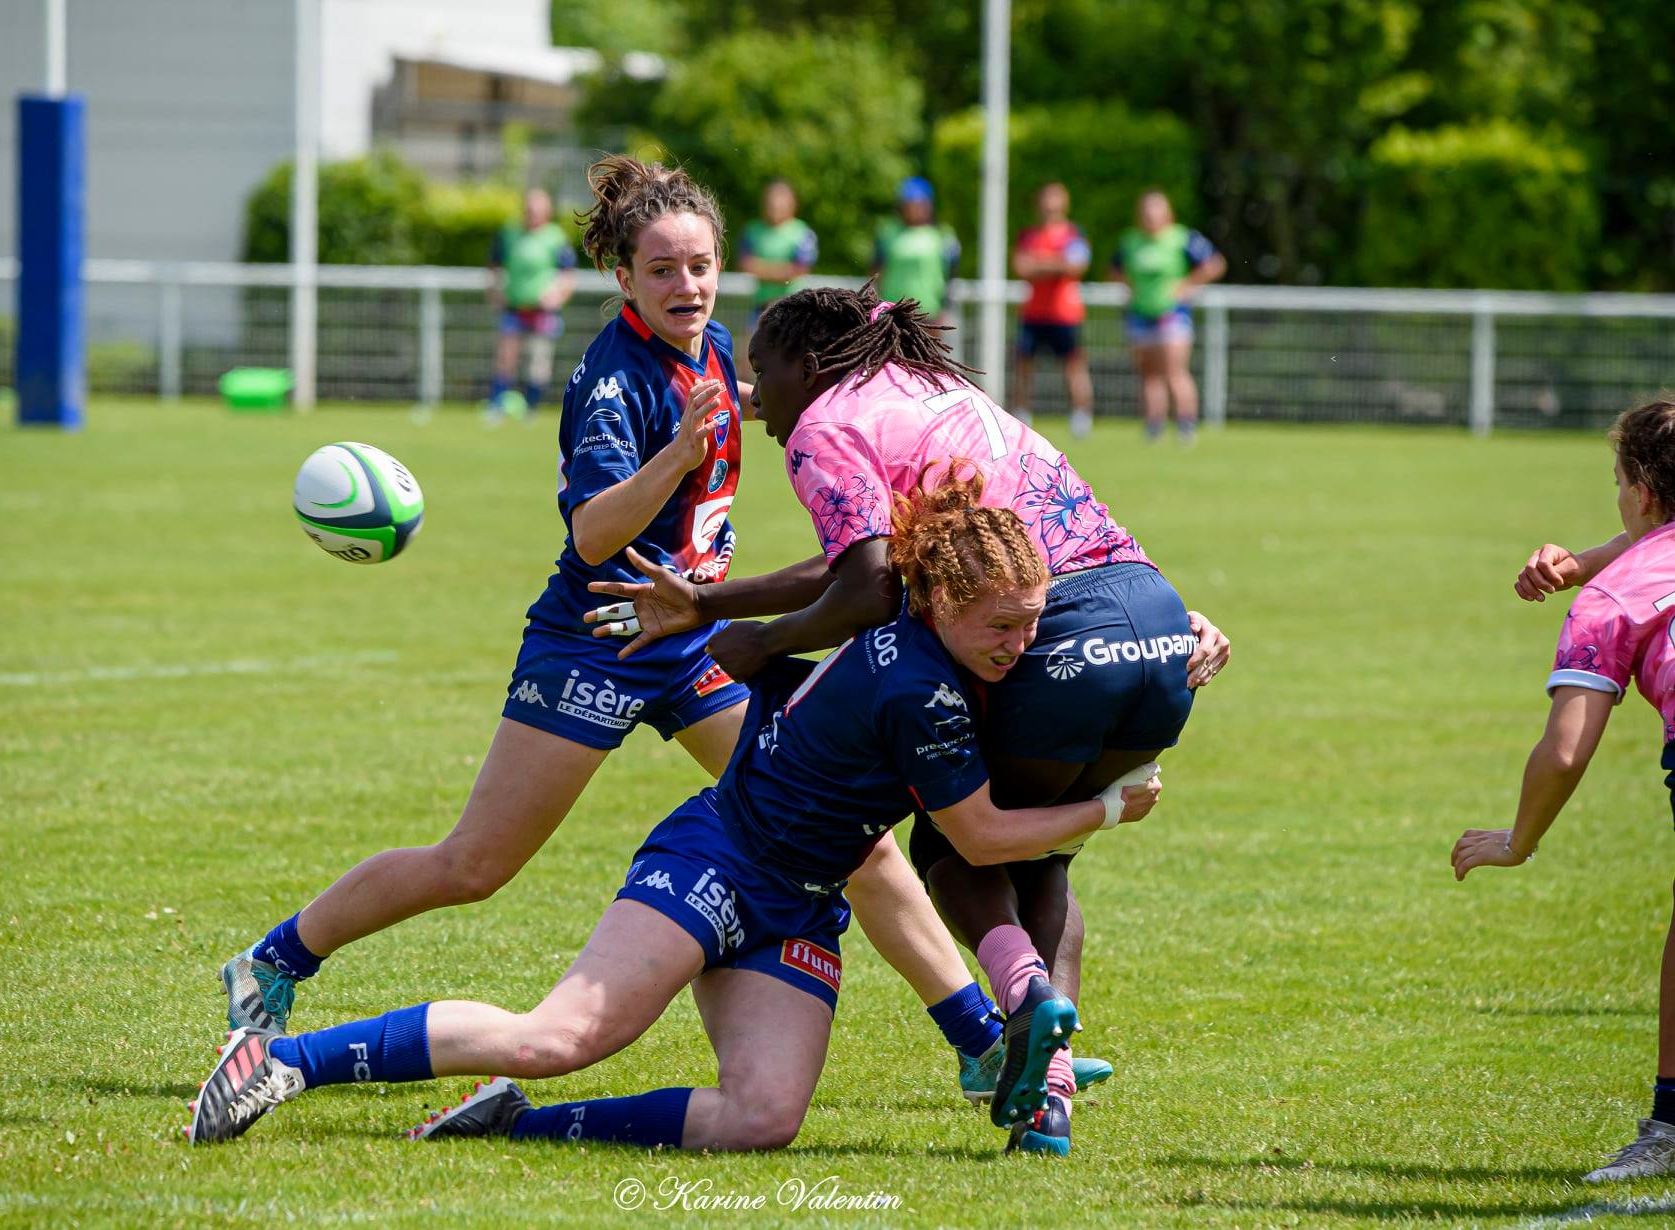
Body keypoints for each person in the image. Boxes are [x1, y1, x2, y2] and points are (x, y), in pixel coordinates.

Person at [219, 157, 1021, 1110]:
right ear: (623, 277)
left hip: (691, 641)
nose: (687, 286)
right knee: (475, 865)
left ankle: (979, 1041)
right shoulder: (612, 378)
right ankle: (275, 960)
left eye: (701, 266)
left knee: (854, 838)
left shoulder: (711, 345)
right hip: (595, 641)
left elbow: (746, 404)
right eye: (663, 270)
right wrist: (677, 454)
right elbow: (594, 533)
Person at [186, 474, 1166, 1154]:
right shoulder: (921, 689)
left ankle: (511, 1123)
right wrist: (1107, 807)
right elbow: (981, 838)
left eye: (1033, 621)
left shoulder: (924, 629)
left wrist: (1181, 635)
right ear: (943, 601)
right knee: (561, 1037)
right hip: (720, 861)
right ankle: (281, 1063)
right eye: (1005, 626)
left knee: (762, 1120)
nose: (1024, 644)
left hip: (801, 901)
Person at [582, 285, 1230, 1152]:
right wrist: (708, 602)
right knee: (1045, 853)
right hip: (1154, 618)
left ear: (809, 365)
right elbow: (873, 557)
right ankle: (1047, 1095)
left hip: (1047, 631)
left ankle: (1031, 1021)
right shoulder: (931, 388)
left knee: (957, 842)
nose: (759, 400)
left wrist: (761, 644)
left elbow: (870, 586)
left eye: (763, 373)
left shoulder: (823, 424)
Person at [1465, 399, 1675, 1183]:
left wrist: (1517, 841)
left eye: (1617, 481)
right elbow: (1650, 544)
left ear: (1641, 492)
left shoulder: (1611, 602)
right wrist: (1581, 562)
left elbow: (1563, 751)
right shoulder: (1619, 571)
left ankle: (1670, 1126)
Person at [1110, 190, 1225, 444]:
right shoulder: (1131, 241)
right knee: (1149, 374)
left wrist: (1187, 286)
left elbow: (1214, 263)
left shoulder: (1182, 238)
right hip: (1141, 314)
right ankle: (1154, 424)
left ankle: (1186, 423)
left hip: (1172, 315)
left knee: (1175, 371)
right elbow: (1115, 269)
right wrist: (1132, 288)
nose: (1151, 216)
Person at [485, 187, 578, 421]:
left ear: (546, 212)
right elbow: (494, 266)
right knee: (505, 359)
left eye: (536, 210)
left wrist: (557, 296)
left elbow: (568, 275)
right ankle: (497, 405)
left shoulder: (556, 237)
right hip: (514, 308)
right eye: (528, 209)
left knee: (538, 363)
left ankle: (530, 408)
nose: (531, 214)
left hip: (542, 312)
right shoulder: (509, 233)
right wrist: (495, 292)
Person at [1011, 183, 1095, 437]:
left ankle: (1081, 415)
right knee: (1023, 365)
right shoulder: (1029, 236)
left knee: (1073, 366)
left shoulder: (1074, 235)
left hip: (1064, 314)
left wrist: (1040, 264)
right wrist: (1057, 263)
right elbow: (1022, 267)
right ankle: (1022, 414)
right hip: (1033, 313)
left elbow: (1076, 266)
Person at [736, 179, 818, 339]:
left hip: (793, 307)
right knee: (750, 350)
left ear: (793, 203)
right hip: (760, 307)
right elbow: (745, 264)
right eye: (772, 199)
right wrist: (783, 270)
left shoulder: (802, 232)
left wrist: (761, 268)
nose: (775, 204)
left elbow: (799, 269)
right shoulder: (751, 230)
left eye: (781, 199)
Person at [873, 177, 960, 326]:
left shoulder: (943, 235)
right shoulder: (887, 233)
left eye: (917, 205)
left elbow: (951, 276)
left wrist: (945, 309)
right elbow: (875, 271)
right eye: (908, 204)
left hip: (928, 312)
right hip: (891, 311)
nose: (912, 210)